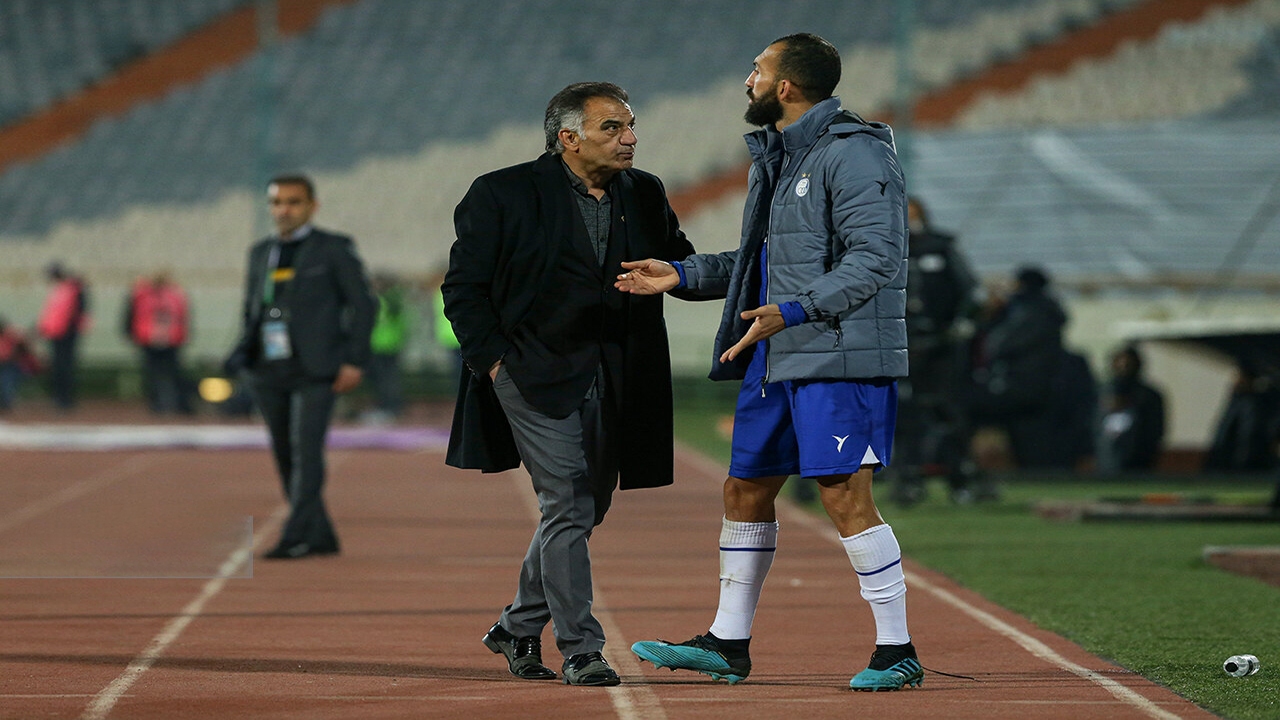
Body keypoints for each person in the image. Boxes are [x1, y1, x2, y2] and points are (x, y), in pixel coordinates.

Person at [616, 34, 917, 691]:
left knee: (843, 493)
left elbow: (877, 257)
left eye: (757, 70)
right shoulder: (779, 156)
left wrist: (799, 308)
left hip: (837, 355)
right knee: (745, 488)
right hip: (779, 351)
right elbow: (760, 262)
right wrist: (681, 273)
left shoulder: (856, 152)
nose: (746, 81)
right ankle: (728, 641)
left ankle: (897, 650)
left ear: (786, 86)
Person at [442, 82, 695, 687]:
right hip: (530, 372)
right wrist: (495, 363)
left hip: (618, 373)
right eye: (613, 127)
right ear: (569, 138)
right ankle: (581, 647)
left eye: (630, 126)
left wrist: (690, 275)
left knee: (587, 505)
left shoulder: (645, 191)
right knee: (568, 501)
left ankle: (516, 626)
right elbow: (463, 288)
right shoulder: (501, 192)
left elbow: (679, 264)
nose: (630, 138)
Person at [225, 174, 376, 560]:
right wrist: (245, 353)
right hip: (267, 367)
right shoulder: (261, 252)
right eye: (277, 202)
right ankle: (320, 534)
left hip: (317, 368)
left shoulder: (333, 248)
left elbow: (363, 305)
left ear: (312, 206)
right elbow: (251, 307)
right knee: (284, 453)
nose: (284, 210)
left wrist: (354, 359)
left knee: (306, 450)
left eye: (293, 202)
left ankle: (295, 534)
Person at [890, 196, 989, 505]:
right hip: (902, 346)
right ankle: (908, 479)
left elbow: (971, 291)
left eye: (914, 214)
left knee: (947, 413)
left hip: (941, 346)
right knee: (905, 415)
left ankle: (960, 478)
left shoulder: (942, 248)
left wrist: (961, 323)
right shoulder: (885, 249)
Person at [123, 271, 194, 415]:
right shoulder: (144, 295)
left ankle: (175, 403)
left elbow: (182, 316)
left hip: (167, 338)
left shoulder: (169, 295)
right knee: (158, 373)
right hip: (153, 338)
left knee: (168, 372)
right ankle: (164, 404)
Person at [1095, 345, 1165, 474]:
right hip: (1106, 461)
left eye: (1128, 365)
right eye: (1120, 364)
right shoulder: (1101, 393)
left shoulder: (1149, 396)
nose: (1124, 368)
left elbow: (1155, 429)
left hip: (1139, 462)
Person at [37, 262, 90, 410]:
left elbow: (78, 311)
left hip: (67, 333)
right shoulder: (59, 289)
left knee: (65, 366)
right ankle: (59, 397)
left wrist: (72, 328)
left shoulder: (72, 288)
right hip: (55, 332)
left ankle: (65, 399)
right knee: (58, 367)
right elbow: (51, 313)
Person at [363, 271, 409, 423]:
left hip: (380, 345)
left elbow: (376, 323)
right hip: (391, 344)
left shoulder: (382, 301)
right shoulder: (396, 300)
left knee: (383, 379)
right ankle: (392, 407)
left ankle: (388, 407)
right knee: (389, 378)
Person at [0, 316, 41, 411]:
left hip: (13, 366)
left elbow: (23, 345)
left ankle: (6, 402)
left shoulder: (10, 336)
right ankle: (6, 401)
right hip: (6, 365)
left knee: (8, 376)